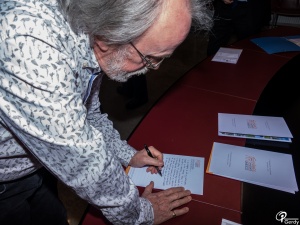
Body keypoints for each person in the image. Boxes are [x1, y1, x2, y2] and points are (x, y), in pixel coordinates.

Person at [0, 0, 212, 225]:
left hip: (35, 164)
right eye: (148, 58)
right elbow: (85, 161)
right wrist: (141, 214)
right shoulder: (30, 46)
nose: (155, 68)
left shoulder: (98, 28)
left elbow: (88, 114)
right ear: (107, 38)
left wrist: (128, 154)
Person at [207, 0, 271, 56]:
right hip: (223, 8)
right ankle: (211, 68)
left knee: (249, 49)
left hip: (250, 9)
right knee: (214, 47)